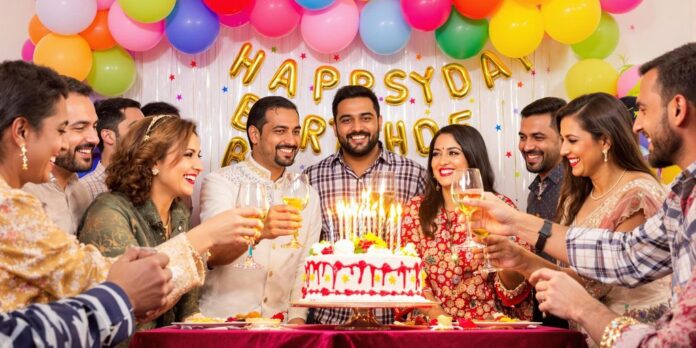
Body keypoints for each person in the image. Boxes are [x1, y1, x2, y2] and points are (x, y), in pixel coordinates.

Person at [466, 43, 696, 346]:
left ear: (678, 108)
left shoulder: (641, 192)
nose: (637, 124)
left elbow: (677, 342)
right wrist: (514, 224)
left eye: (642, 109)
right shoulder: (683, 193)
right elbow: (626, 253)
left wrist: (582, 307)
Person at [0, 61, 259, 320]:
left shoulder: (77, 192)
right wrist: (203, 236)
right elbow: (98, 282)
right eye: (61, 130)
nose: (62, 144)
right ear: (21, 132)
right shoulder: (10, 206)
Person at [483, 93, 671, 346]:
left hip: (634, 337)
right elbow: (575, 280)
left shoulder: (637, 195)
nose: (563, 150)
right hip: (589, 335)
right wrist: (518, 259)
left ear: (604, 140)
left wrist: (519, 234)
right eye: (562, 140)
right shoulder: (577, 194)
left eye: (571, 140)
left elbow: (599, 281)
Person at [78, 116, 263, 333]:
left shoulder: (178, 214)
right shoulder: (109, 212)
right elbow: (125, 308)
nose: (199, 166)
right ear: (154, 160)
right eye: (188, 155)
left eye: (198, 155)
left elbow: (187, 312)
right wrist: (206, 235)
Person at [303, 85, 427, 325]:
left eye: (366, 118)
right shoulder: (312, 177)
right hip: (331, 320)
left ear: (379, 121)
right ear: (335, 126)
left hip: (397, 320)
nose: (357, 128)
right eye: (346, 120)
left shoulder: (414, 174)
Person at [198, 96, 320, 324]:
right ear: (255, 135)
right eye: (280, 131)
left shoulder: (307, 195)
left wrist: (296, 322)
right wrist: (259, 231)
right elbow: (212, 255)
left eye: (295, 131)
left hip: (280, 327)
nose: (291, 140)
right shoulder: (221, 182)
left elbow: (305, 266)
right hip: (224, 325)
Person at [401, 124, 532, 321]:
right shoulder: (415, 210)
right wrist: (441, 319)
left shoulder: (499, 207)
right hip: (432, 329)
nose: (442, 161)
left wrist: (500, 259)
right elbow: (409, 274)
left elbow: (515, 289)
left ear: (472, 158)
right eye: (436, 154)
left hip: (490, 328)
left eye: (453, 153)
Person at [22, 76, 96, 235]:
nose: (95, 139)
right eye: (80, 127)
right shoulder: (22, 194)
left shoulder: (80, 189)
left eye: (95, 126)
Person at [518, 96, 569, 328]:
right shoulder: (536, 190)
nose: (527, 146)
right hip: (543, 308)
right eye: (523, 137)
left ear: (563, 139)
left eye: (538, 137)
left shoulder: (576, 185)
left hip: (572, 310)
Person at [81, 97, 144, 201]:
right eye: (137, 128)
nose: (146, 135)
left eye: (146, 127)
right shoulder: (86, 189)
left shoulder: (148, 183)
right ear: (108, 136)